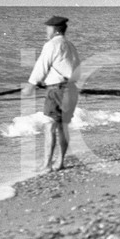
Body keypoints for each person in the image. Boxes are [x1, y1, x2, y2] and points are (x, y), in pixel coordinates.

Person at [22, 15, 81, 171]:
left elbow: (42, 65)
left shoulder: (51, 45)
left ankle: (47, 164)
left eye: (47, 28)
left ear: (55, 31)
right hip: (71, 89)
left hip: (56, 91)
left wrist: (31, 84)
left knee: (50, 126)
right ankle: (60, 162)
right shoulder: (70, 45)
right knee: (63, 127)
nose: (45, 31)